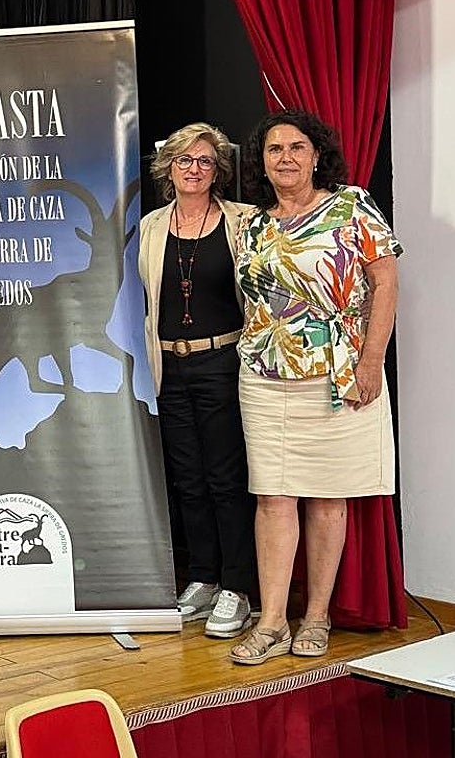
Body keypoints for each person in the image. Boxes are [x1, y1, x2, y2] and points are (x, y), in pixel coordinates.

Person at [228, 109, 402, 666]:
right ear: (262, 162)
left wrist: (371, 360)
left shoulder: (352, 205)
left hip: (340, 374)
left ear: (316, 154)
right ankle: (274, 620)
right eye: (274, 149)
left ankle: (318, 617)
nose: (285, 157)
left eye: (296, 147)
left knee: (329, 496)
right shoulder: (254, 224)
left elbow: (385, 280)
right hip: (264, 375)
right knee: (273, 497)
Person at [140, 123, 257, 640]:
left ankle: (238, 587)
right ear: (168, 167)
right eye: (184, 159)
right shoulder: (148, 227)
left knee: (226, 480)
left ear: (218, 170)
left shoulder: (243, 221)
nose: (193, 168)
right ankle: (204, 577)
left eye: (205, 161)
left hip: (224, 362)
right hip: (169, 366)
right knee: (186, 480)